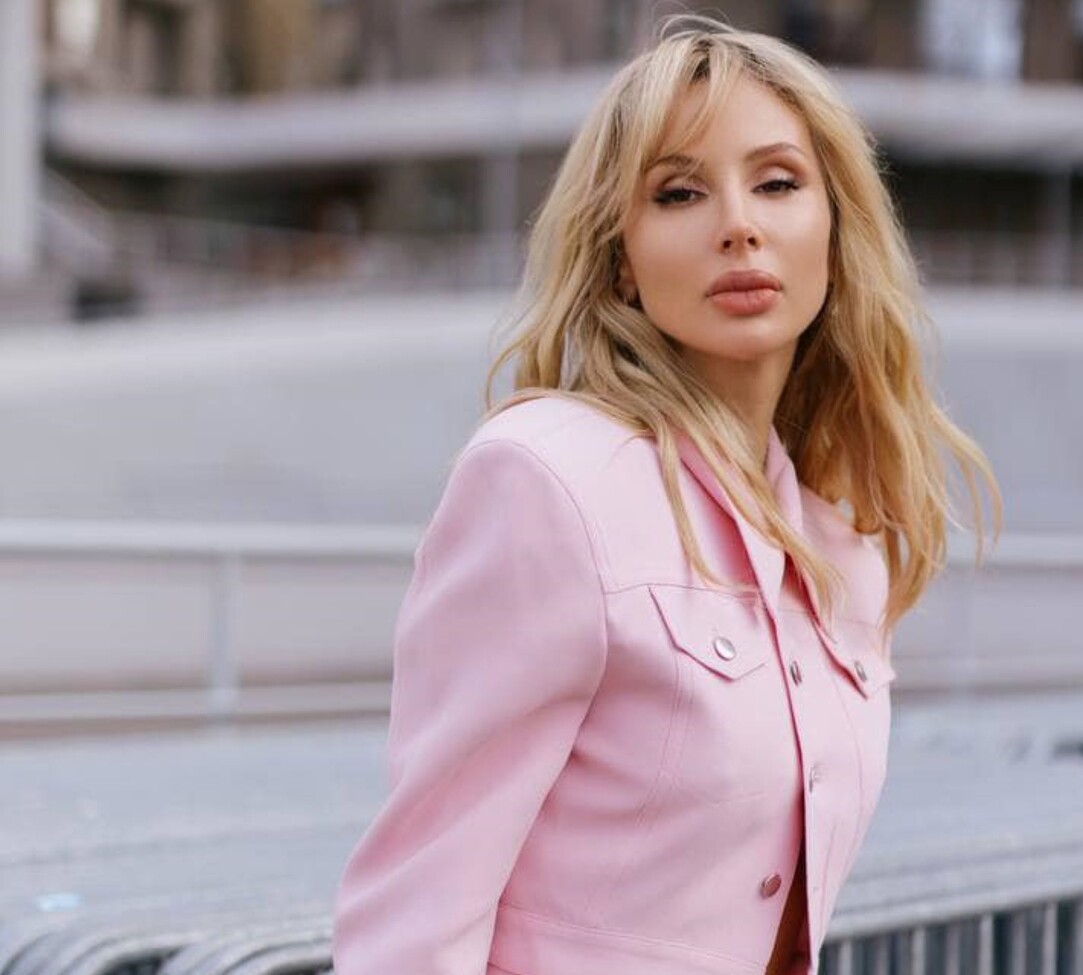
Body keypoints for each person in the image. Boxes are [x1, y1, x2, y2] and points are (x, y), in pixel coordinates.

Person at [331, 16, 1000, 975]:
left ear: (835, 227)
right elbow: (416, 913)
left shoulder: (840, 549)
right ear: (620, 256)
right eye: (679, 192)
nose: (739, 224)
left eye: (778, 183)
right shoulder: (547, 479)